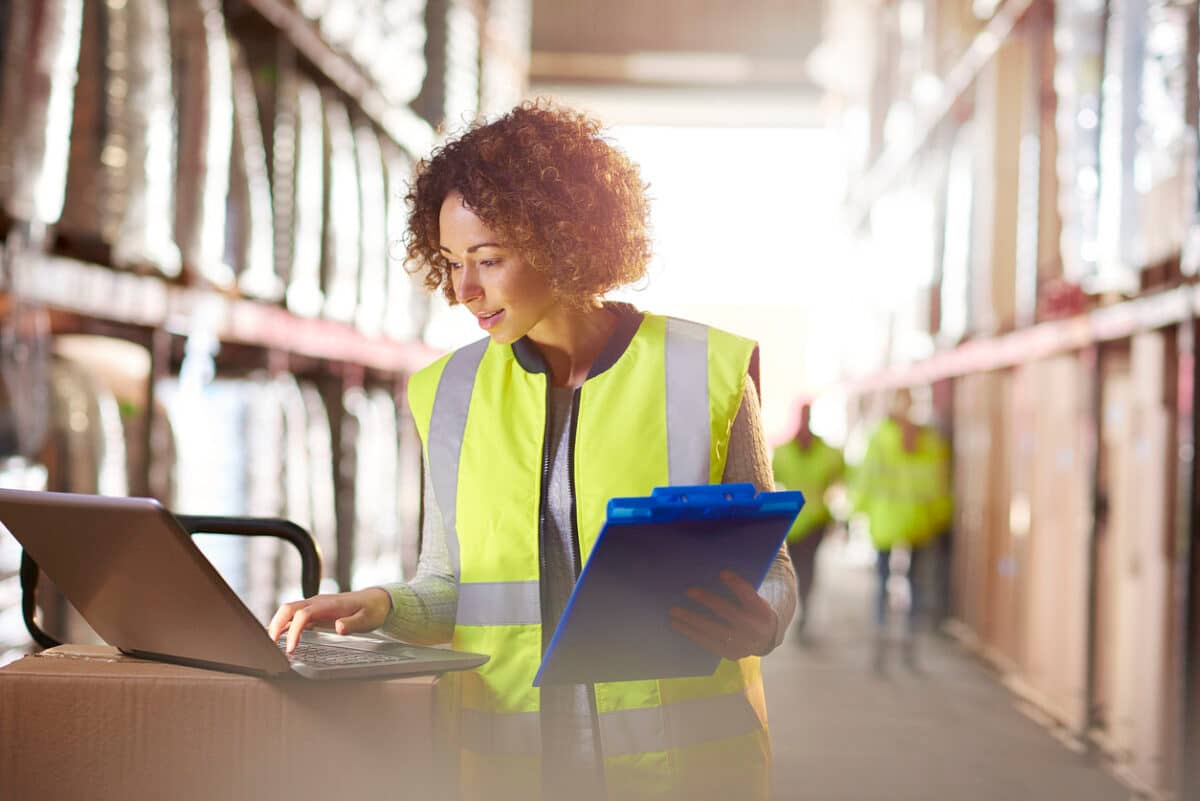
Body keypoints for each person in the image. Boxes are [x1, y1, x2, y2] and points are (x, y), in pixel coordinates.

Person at [268, 101, 797, 801]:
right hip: (510, 772)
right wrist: (379, 604)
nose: (464, 291)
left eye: (488, 260)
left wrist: (763, 621)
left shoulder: (707, 369)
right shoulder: (447, 392)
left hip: (682, 773)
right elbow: (450, 587)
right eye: (452, 262)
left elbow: (775, 573)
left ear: (564, 239)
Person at [850, 387, 952, 673]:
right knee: (914, 584)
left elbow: (866, 478)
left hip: (886, 521)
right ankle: (909, 642)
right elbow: (938, 481)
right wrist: (940, 517)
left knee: (883, 583)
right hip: (919, 520)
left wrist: (857, 510)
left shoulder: (879, 438)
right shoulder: (929, 440)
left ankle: (881, 638)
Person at [770, 400, 844, 639]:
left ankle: (805, 608)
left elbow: (839, 477)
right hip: (792, 522)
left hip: (815, 522)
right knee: (795, 567)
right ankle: (799, 609)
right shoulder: (782, 452)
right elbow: (768, 480)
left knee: (808, 566)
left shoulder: (827, 452)